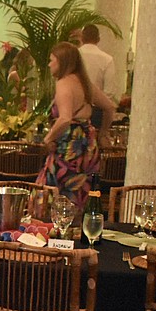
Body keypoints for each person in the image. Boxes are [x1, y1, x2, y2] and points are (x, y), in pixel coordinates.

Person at [37, 41, 115, 210]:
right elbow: (110, 107)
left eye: (52, 60)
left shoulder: (64, 83)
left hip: (69, 147)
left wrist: (47, 138)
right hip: (88, 145)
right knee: (81, 193)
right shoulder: (84, 83)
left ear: (62, 61)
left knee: (52, 194)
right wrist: (102, 134)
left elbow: (65, 118)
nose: (49, 65)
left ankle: (55, 230)